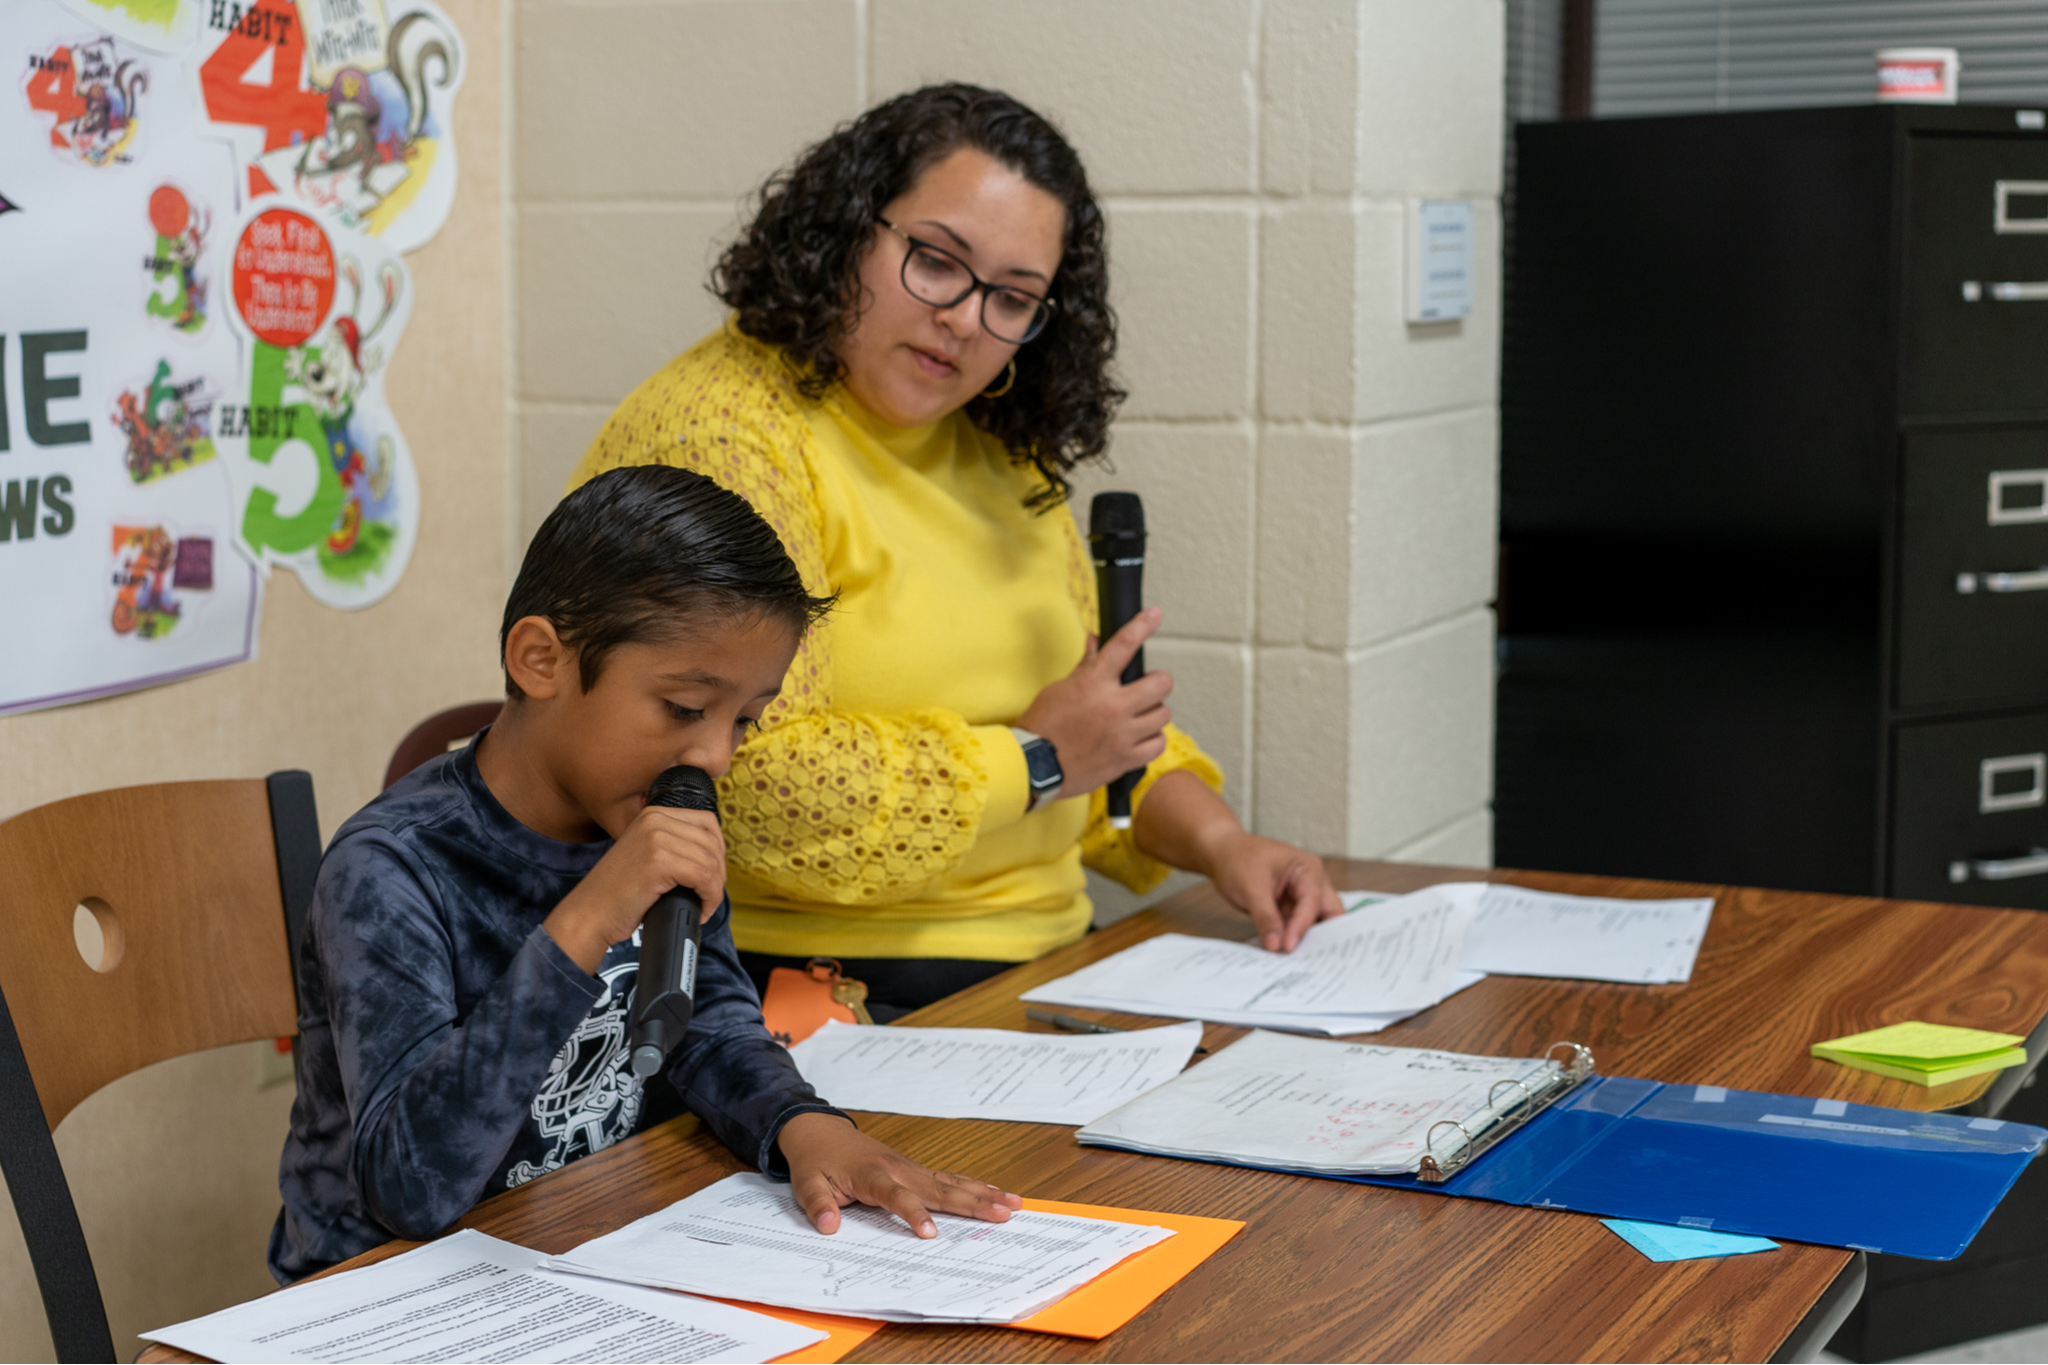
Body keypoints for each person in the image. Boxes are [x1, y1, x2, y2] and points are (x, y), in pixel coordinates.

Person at [570, 84, 1343, 1019]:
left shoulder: (997, 449)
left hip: (1049, 968)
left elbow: (1096, 726)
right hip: (801, 990)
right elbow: (740, 783)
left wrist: (1227, 844)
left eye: (1014, 298)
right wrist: (1041, 758)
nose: (967, 320)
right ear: (847, 229)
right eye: (937, 263)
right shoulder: (720, 434)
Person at [269, 465, 1021, 1283]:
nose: (715, 755)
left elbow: (706, 1022)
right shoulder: (392, 868)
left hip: (593, 1245)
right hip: (385, 1294)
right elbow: (412, 1186)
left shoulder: (654, 814)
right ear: (540, 659)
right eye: (683, 707)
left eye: (744, 719)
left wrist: (805, 1124)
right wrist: (590, 916)